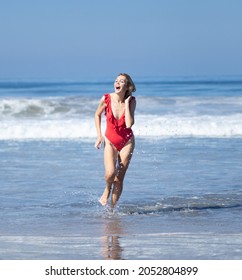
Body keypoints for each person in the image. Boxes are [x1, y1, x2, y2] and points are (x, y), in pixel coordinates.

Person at [94, 73, 136, 208]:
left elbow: (129, 124)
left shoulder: (132, 101)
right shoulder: (106, 99)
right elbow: (97, 114)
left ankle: (112, 210)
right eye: (116, 80)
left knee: (119, 179)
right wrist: (99, 136)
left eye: (122, 81)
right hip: (110, 140)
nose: (117, 83)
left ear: (127, 86)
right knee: (110, 173)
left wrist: (128, 103)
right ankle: (107, 190)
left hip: (127, 142)